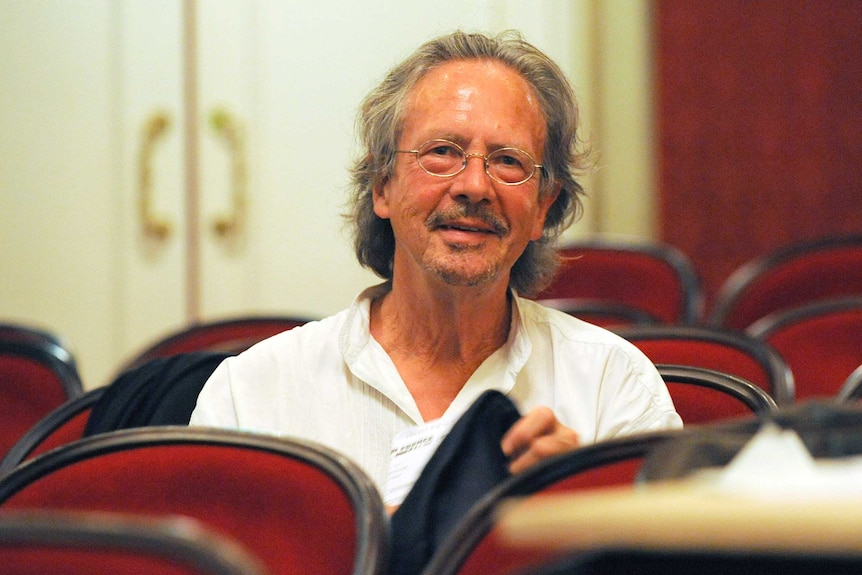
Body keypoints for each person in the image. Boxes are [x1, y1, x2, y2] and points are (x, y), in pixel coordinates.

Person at [189, 30, 682, 506]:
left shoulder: (612, 385)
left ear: (543, 208)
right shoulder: (254, 392)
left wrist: (582, 504)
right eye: (442, 152)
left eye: (508, 161)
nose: (474, 185)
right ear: (382, 186)